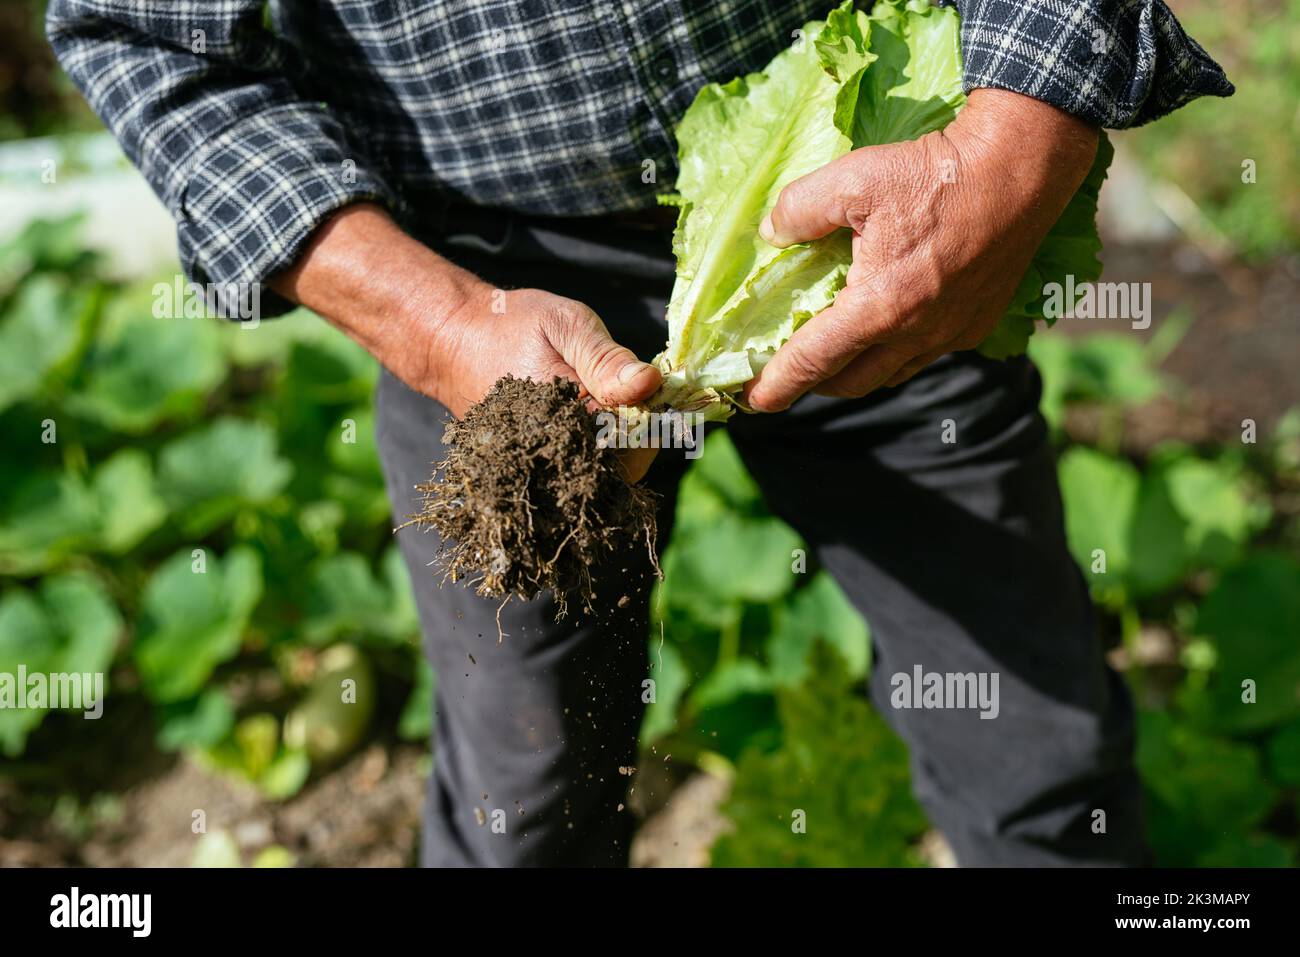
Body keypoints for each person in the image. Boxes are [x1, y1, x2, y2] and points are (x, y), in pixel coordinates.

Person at [48, 0, 1231, 867]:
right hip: (482, 273)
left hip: (856, 203)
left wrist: (1024, 124)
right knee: (523, 791)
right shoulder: (460, 306)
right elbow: (143, 39)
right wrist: (434, 318)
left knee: (1026, 732)